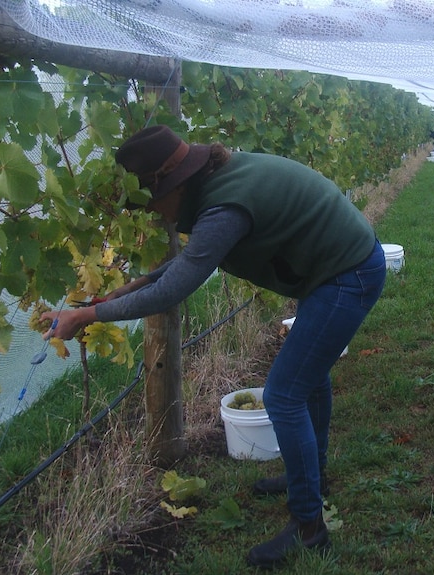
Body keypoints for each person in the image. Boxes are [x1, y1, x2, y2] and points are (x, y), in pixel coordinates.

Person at [41, 125, 387, 568]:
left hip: (347, 274)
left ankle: (309, 527)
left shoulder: (225, 205)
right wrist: (132, 286)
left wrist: (88, 315)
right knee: (307, 379)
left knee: (284, 393)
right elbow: (188, 261)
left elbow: (178, 286)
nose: (154, 215)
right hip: (334, 266)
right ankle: (310, 477)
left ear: (172, 186)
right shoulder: (220, 181)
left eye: (150, 203)